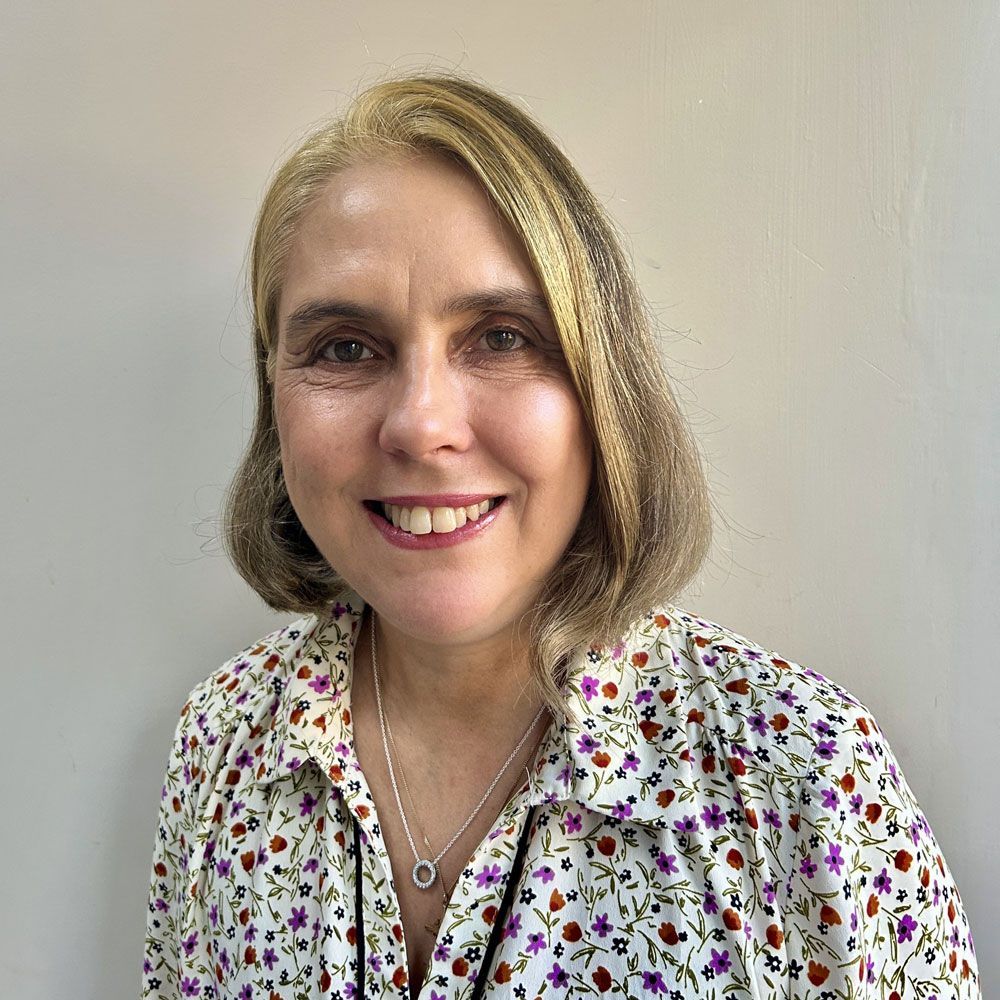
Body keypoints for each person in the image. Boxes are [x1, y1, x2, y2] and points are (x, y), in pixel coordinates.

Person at [142, 72, 980, 1000]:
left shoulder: (806, 784)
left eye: (502, 337)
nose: (421, 426)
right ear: (274, 402)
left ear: (600, 390)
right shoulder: (221, 744)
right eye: (345, 346)